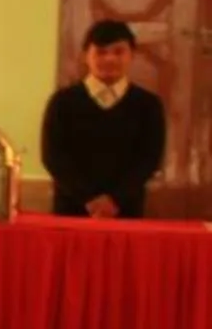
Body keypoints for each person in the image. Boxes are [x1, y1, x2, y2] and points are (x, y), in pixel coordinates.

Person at [42, 19, 168, 218]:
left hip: (126, 210)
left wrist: (115, 199)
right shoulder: (63, 102)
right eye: (100, 52)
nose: (109, 59)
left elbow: (149, 159)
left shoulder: (148, 105)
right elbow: (53, 157)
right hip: (72, 210)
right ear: (86, 56)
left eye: (118, 52)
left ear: (131, 55)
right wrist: (89, 199)